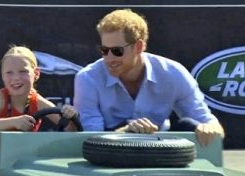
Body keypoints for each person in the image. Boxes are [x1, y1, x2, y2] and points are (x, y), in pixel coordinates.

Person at [74, 9, 224, 146]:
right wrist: (125, 132)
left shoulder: (174, 73)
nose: (109, 58)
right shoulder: (88, 78)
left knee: (190, 125)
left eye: (117, 51)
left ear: (139, 47)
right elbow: (89, 138)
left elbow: (210, 124)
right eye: (104, 50)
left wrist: (210, 129)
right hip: (110, 151)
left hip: (160, 149)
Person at [0, 45, 79, 162]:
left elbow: (70, 129)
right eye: (9, 73)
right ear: (2, 76)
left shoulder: (37, 101)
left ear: (36, 74)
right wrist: (15, 122)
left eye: (23, 72)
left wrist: (70, 115)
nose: (16, 78)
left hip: (25, 166)